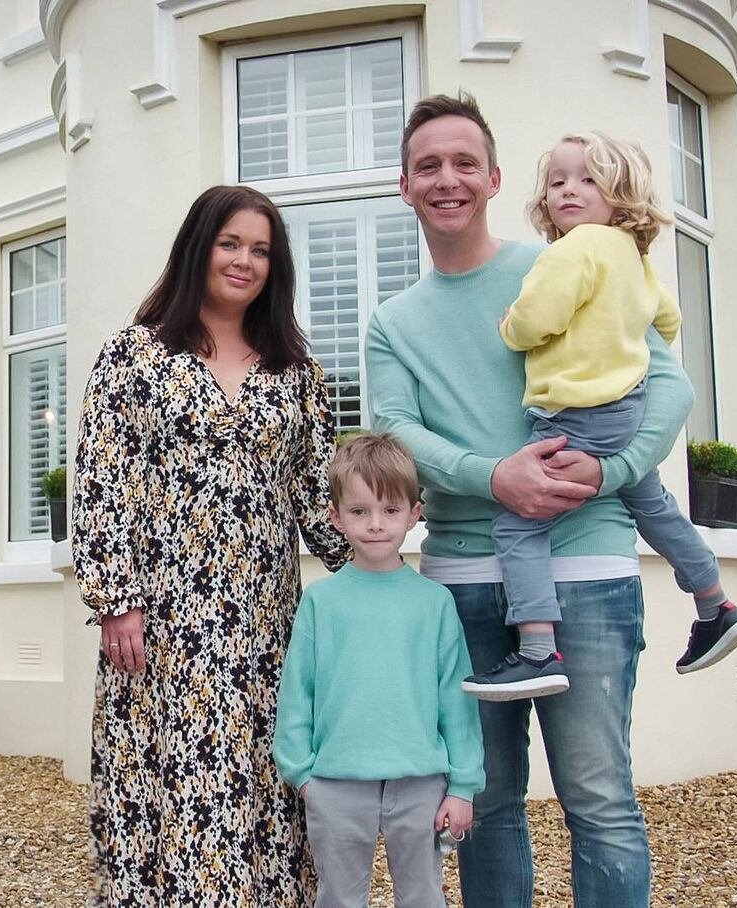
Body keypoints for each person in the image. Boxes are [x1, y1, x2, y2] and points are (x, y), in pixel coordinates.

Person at [365, 92, 695, 908]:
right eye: (428, 166)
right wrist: (494, 475)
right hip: (463, 581)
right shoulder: (392, 322)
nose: (447, 179)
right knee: (485, 805)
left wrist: (612, 473)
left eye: (464, 163)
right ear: (404, 186)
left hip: (585, 568)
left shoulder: (566, 264)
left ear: (495, 178)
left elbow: (668, 385)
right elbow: (397, 431)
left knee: (599, 800)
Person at [73, 184, 349, 907]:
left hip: (264, 624)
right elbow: (104, 479)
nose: (244, 261)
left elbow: (319, 494)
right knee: (169, 785)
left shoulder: (296, 371)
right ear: (199, 247)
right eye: (230, 243)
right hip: (162, 622)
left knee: (261, 783)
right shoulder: (134, 355)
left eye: (260, 250)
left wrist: (385, 556)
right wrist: (116, 601)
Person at [463, 132, 737, 701]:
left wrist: (511, 327)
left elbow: (535, 319)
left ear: (620, 193)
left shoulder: (571, 251)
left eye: (588, 179)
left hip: (573, 415)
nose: (569, 190)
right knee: (653, 504)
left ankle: (537, 650)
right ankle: (715, 602)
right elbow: (666, 323)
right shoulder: (632, 257)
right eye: (558, 181)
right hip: (624, 410)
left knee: (518, 526)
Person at [273, 433, 485, 908]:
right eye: (359, 510)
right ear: (335, 516)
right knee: (340, 899)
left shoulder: (434, 603)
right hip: (336, 782)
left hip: (421, 782)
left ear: (414, 514)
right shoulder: (321, 601)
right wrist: (303, 774)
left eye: (390, 510)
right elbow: (297, 692)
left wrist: (463, 786)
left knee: (423, 897)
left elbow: (455, 698)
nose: (374, 524)